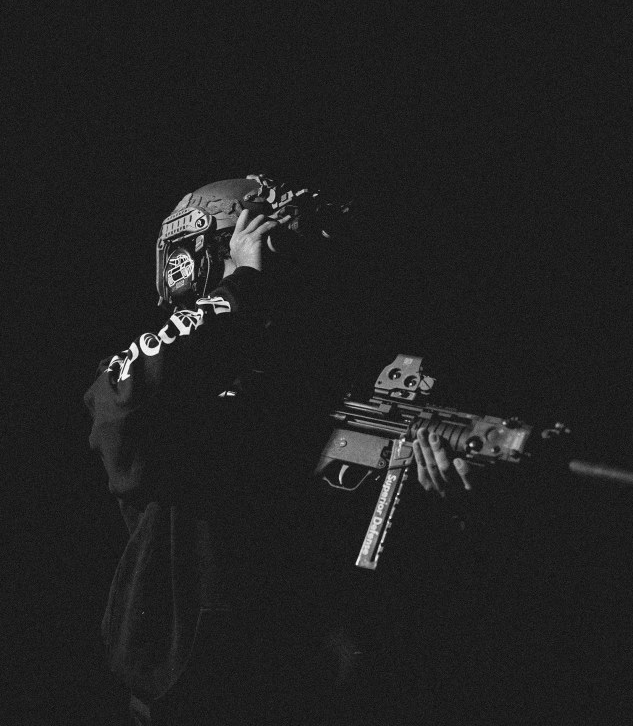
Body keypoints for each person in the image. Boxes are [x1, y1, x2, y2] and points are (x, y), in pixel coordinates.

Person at [84, 173, 471, 726]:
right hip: (196, 691)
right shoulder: (182, 369)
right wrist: (241, 287)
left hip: (318, 681)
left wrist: (447, 501)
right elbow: (119, 411)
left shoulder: (346, 363)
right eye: (258, 241)